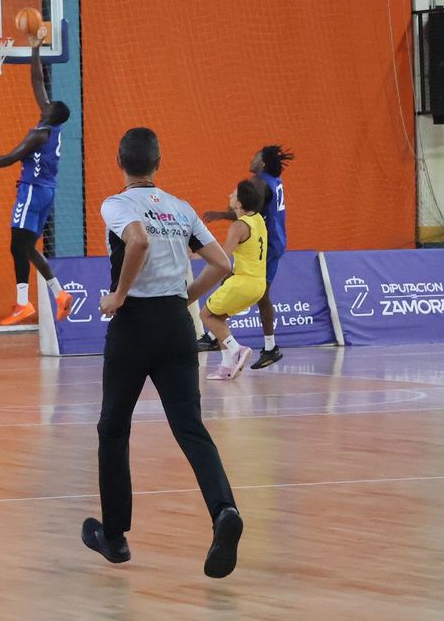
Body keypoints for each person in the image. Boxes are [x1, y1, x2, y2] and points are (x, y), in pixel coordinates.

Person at [83, 127, 243, 579]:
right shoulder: (181, 208)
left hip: (134, 325)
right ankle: (224, 512)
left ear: (120, 161)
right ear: (158, 162)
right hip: (176, 325)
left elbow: (137, 241)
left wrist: (117, 296)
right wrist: (185, 300)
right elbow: (223, 264)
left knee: (114, 428)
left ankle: (114, 536)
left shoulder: (118, 204)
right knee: (190, 427)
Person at [0, 35, 74, 326]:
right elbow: (37, 82)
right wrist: (35, 47)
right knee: (27, 246)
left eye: (47, 106)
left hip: (32, 191)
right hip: (46, 192)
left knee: (16, 246)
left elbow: (12, 157)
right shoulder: (53, 125)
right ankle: (60, 295)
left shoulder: (40, 133)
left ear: (52, 114)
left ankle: (23, 304)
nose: (42, 105)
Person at [200, 145, 292, 368]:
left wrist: (222, 214)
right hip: (273, 240)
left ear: (262, 163)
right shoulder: (273, 180)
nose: (251, 159)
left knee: (262, 295)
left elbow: (250, 208)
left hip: (266, 245)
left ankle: (270, 347)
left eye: (255, 157)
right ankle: (215, 335)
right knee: (230, 282)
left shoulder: (259, 182)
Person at [199, 180, 268, 382]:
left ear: (238, 204)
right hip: (259, 285)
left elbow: (222, 256)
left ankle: (237, 349)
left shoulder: (238, 226)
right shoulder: (257, 218)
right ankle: (226, 367)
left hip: (243, 282)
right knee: (218, 318)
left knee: (206, 315)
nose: (230, 194)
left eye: (234, 193)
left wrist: (196, 253)